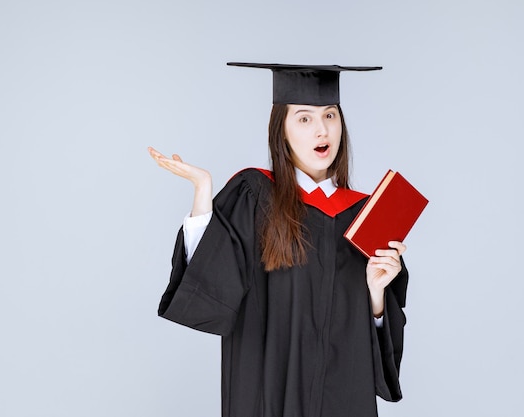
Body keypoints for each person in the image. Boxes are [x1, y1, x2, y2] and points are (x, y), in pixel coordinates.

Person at [148, 62, 409, 417]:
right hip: (266, 395)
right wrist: (203, 190)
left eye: (330, 116)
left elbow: (380, 364)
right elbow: (210, 289)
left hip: (340, 400)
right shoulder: (254, 196)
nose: (322, 130)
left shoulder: (365, 215)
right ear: (281, 130)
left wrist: (377, 297)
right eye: (304, 119)